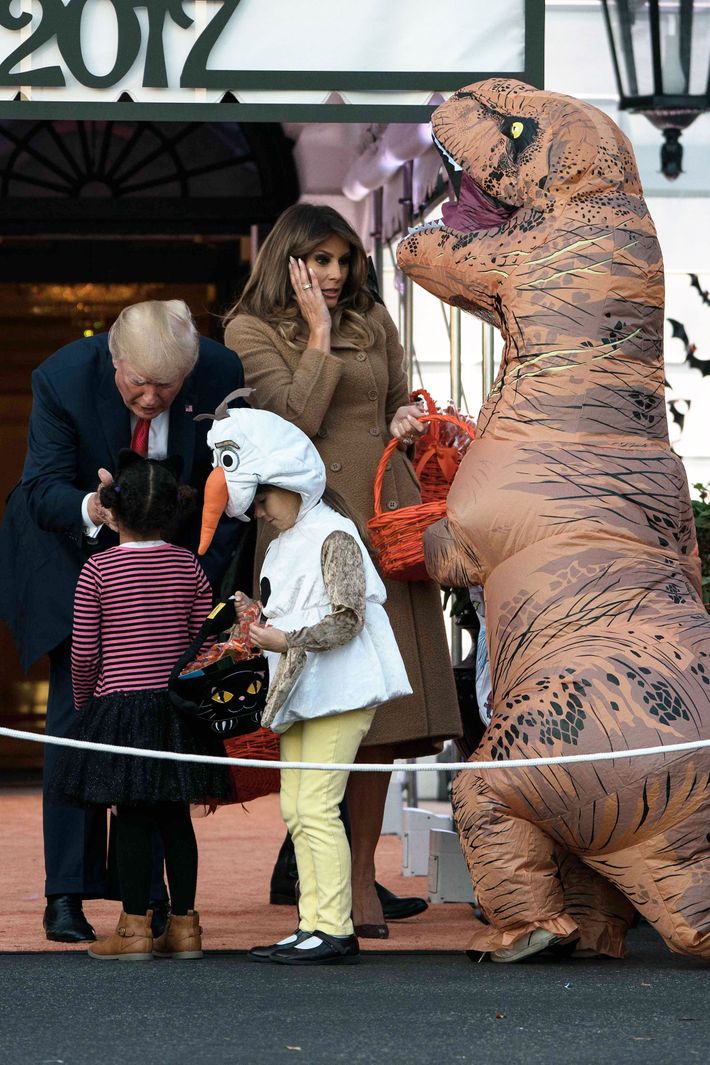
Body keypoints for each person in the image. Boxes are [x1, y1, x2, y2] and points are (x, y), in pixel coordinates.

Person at [223, 203, 462, 935]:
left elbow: (392, 403)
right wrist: (318, 336)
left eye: (342, 260)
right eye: (318, 260)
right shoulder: (248, 330)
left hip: (383, 523)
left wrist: (403, 422)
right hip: (314, 535)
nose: (333, 273)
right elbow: (289, 421)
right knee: (325, 707)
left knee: (384, 715)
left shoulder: (374, 319)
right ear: (289, 261)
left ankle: (361, 882)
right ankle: (326, 881)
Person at [0, 299, 246, 943]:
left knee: (161, 735)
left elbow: (230, 481)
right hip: (75, 560)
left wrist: (192, 573)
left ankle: (152, 902)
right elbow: (41, 486)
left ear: (190, 373)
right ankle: (67, 896)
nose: (150, 397)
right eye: (137, 382)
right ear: (114, 360)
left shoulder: (220, 370)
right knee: (76, 729)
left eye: (166, 387)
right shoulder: (62, 378)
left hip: (175, 572)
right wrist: (93, 507)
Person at [197, 404, 412, 963]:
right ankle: (313, 923)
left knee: (315, 806)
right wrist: (258, 622)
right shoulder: (287, 539)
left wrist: (282, 640)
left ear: (288, 485)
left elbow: (347, 619)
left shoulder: (333, 534)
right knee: (298, 809)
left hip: (339, 688)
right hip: (303, 689)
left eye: (264, 499)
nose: (262, 512)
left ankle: (333, 928)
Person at [48, 451, 232, 961]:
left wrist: (87, 705)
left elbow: (85, 652)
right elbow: (203, 642)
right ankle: (185, 928)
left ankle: (132, 931)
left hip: (120, 707)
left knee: (129, 815)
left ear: (111, 509)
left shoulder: (98, 570)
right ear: (175, 509)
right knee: (176, 817)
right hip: (175, 710)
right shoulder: (187, 564)